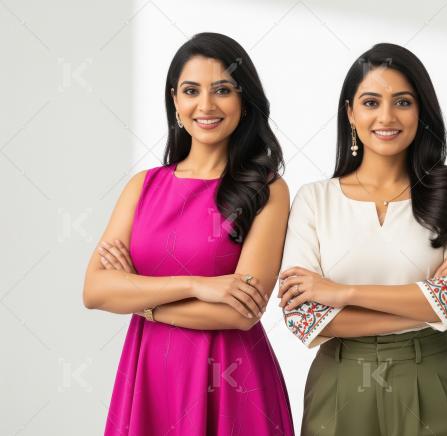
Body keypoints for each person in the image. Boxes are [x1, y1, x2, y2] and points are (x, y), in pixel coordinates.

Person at [83, 32, 294, 435]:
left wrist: (140, 298)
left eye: (222, 90)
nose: (206, 105)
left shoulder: (267, 189)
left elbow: (240, 313)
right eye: (191, 91)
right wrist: (198, 285)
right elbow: (95, 290)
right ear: (176, 103)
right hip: (148, 376)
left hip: (233, 382)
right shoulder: (142, 186)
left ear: (244, 101)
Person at [278, 43, 447, 436]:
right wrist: (427, 304)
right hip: (340, 383)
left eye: (403, 102)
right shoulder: (314, 199)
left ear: (421, 110)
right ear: (350, 113)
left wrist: (339, 293)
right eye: (371, 102)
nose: (386, 117)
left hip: (431, 377)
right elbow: (302, 316)